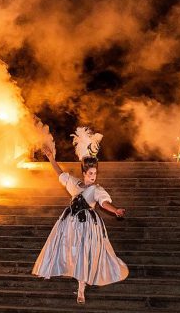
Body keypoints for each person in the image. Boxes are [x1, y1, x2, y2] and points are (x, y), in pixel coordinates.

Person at [32, 127, 129, 305]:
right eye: (90, 174)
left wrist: (114, 210)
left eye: (95, 174)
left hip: (88, 226)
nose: (93, 176)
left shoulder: (97, 189)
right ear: (84, 173)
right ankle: (66, 269)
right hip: (70, 223)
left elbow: (103, 202)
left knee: (84, 253)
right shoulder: (74, 183)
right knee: (72, 251)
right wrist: (51, 158)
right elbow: (60, 174)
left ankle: (81, 288)